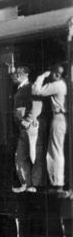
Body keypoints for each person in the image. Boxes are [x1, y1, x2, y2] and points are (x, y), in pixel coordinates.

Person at [32, 64, 68, 194]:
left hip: (58, 118)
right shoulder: (64, 83)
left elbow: (36, 90)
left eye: (56, 74)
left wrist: (42, 76)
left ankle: (57, 185)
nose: (54, 76)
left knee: (55, 151)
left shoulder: (56, 84)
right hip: (66, 118)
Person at [12, 66, 45, 193]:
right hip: (24, 127)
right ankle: (27, 184)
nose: (12, 78)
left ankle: (36, 185)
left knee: (34, 155)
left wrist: (27, 120)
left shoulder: (30, 87)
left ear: (18, 76)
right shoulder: (23, 88)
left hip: (30, 126)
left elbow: (37, 106)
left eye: (14, 76)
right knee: (20, 156)